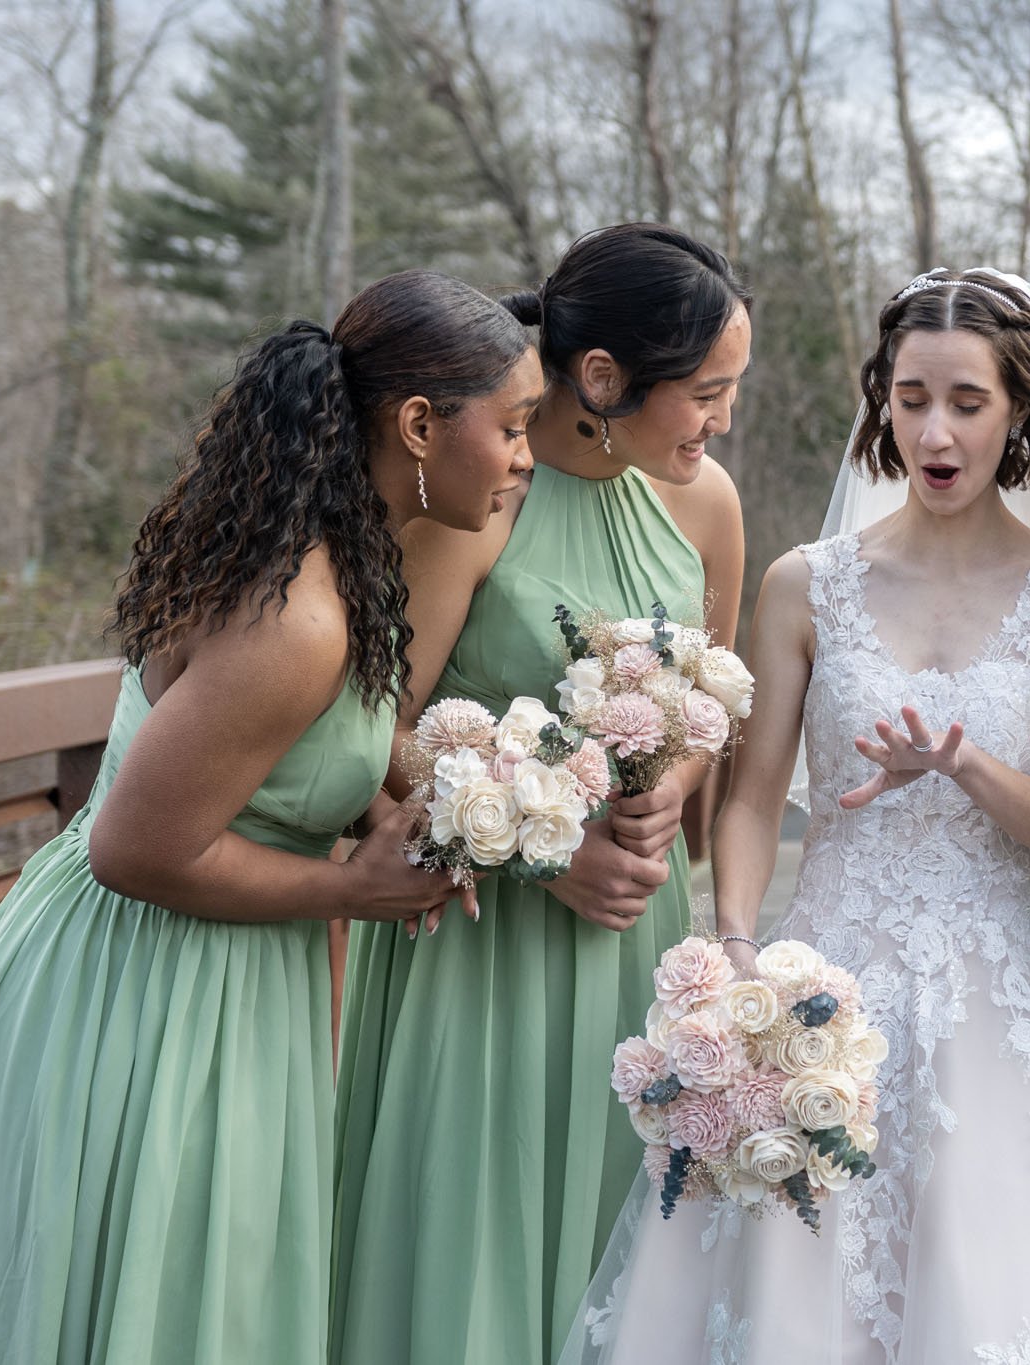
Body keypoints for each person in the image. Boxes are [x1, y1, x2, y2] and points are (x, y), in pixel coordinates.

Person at [558, 268, 1030, 1365]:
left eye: (967, 403)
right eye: (911, 398)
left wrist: (965, 765)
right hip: (817, 1009)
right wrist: (738, 947)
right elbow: (751, 801)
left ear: (1018, 410)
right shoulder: (805, 583)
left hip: (998, 1015)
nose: (935, 431)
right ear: (880, 405)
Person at [0, 270, 540, 1364]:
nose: (525, 457)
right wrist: (354, 888)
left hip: (226, 971)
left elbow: (301, 750)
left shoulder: (341, 556)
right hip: (146, 988)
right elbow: (133, 849)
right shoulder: (297, 618)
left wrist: (462, 798)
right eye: (514, 427)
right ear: (419, 426)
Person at [330, 224, 751, 1363]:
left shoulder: (706, 501)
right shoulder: (477, 504)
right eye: (706, 394)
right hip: (487, 937)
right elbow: (376, 734)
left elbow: (715, 693)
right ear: (603, 379)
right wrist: (542, 850)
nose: (721, 421)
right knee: (484, 1233)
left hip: (640, 925)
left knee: (630, 1232)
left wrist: (675, 782)